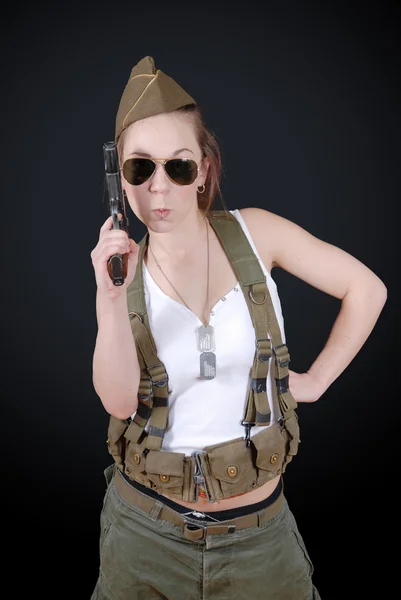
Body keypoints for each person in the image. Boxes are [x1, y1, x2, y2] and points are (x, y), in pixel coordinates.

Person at [89, 56, 387, 600]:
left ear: (202, 170)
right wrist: (110, 300)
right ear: (120, 178)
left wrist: (316, 380)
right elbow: (116, 400)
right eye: (140, 168)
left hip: (260, 541)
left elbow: (367, 289)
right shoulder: (121, 269)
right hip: (145, 538)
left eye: (178, 167)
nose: (160, 188)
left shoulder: (257, 234)